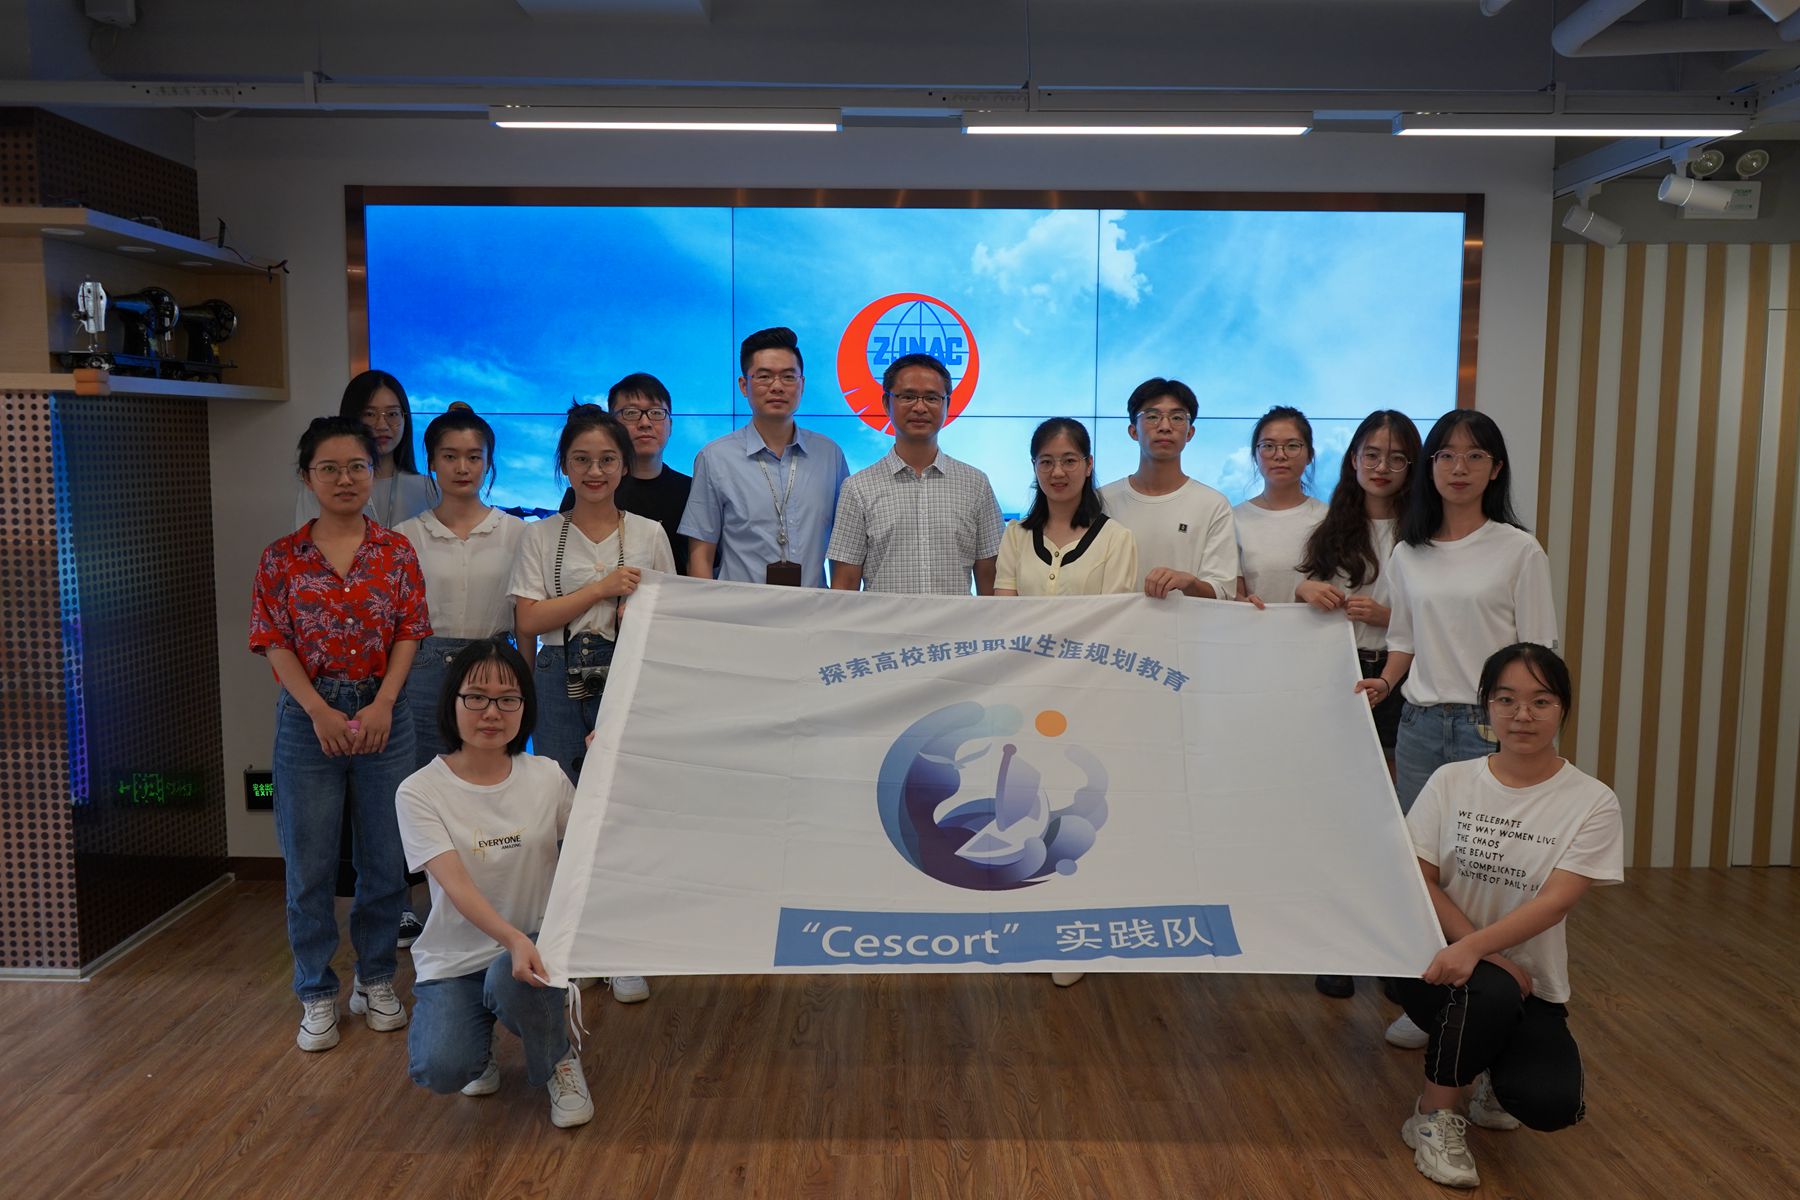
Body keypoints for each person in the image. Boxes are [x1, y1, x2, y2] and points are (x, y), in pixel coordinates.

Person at [1355, 409, 1558, 1050]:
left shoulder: (1518, 549)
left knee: (1490, 870)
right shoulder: (1410, 552)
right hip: (1419, 725)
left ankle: (1502, 997)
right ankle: (1432, 1003)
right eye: (1446, 455)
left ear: (1495, 470)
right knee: (1423, 869)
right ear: (1430, 468)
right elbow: (1404, 639)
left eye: (1474, 456)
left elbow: (1537, 652)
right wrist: (1385, 683)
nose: (1459, 468)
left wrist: (1521, 726)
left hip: (1487, 729)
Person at [1394, 643, 1622, 1189]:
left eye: (1540, 701)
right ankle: (1432, 1115)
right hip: (1437, 968)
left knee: (1550, 1102)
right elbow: (1418, 877)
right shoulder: (1451, 781)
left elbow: (1556, 901)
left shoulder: (1592, 801)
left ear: (1562, 708)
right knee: (1488, 989)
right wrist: (1480, 952)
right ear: (1487, 707)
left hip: (1530, 984)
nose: (1523, 715)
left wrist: (1482, 952)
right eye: (1506, 699)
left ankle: (1490, 1068)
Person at [249, 416, 431, 1051]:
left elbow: (409, 630)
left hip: (386, 714)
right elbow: (272, 640)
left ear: (373, 473)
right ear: (308, 477)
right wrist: (318, 712)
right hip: (308, 721)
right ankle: (316, 991)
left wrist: (383, 704)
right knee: (310, 864)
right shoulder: (281, 558)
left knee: (385, 858)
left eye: (357, 466)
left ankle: (376, 979)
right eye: (329, 468)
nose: (345, 479)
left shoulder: (397, 552)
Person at [510, 403, 673, 1006]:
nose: (595, 471)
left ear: (624, 465)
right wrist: (601, 590)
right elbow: (529, 619)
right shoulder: (539, 535)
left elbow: (668, 619)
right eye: (581, 460)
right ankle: (570, 945)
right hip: (556, 674)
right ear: (564, 466)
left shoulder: (648, 534)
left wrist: (636, 613)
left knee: (621, 809)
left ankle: (621, 947)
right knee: (560, 809)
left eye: (607, 459)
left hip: (626, 675)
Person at [396, 638, 594, 1129]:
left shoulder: (546, 776)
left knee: (510, 976)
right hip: (457, 958)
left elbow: (595, 841)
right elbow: (457, 885)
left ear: (525, 707)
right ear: (452, 702)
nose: (492, 712)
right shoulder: (419, 791)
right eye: (477, 697)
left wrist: (605, 769)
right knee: (441, 1067)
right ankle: (475, 1046)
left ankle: (558, 1058)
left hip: (532, 949)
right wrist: (511, 938)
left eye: (508, 699)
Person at [994, 418, 1137, 988]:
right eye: (1047, 461)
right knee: (1025, 809)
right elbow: (1004, 615)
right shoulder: (1014, 536)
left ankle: (1074, 930)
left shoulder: (1117, 539)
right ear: (1034, 468)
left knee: (1079, 813)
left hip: (1089, 698)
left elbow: (1114, 624)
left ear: (1088, 465)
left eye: (1070, 460)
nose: (1058, 471)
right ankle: (1026, 921)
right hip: (1025, 697)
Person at [1294, 409, 1422, 1001]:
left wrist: (1388, 616)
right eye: (1372, 455)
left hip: (1401, 680)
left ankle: (1395, 946)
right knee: (1337, 814)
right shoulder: (1331, 525)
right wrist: (1305, 589)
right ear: (1353, 460)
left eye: (1396, 458)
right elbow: (1300, 592)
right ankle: (1338, 947)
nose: (1382, 467)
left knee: (1395, 821)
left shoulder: (1426, 531)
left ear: (1413, 466)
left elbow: (1439, 617)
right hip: (1335, 677)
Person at [393, 403, 525, 768]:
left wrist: (526, 681)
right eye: (450, 456)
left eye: (473, 457)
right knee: (423, 778)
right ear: (432, 462)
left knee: (493, 777)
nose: (462, 468)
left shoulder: (518, 533)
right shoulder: (404, 536)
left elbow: (526, 620)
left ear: (488, 463)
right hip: (423, 673)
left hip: (495, 672)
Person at [680, 327, 848, 587]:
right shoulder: (715, 458)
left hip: (814, 608)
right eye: (764, 377)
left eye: (788, 377)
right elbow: (700, 556)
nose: (777, 386)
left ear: (802, 384)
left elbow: (844, 548)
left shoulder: (829, 455)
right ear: (744, 386)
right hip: (742, 609)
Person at [828, 353, 1004, 595]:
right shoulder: (858, 489)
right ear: (886, 403)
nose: (920, 407)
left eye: (932, 398)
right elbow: (844, 586)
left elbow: (991, 583)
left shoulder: (976, 484)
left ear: (947, 405)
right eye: (908, 396)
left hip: (956, 621)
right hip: (885, 621)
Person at [1097, 378, 1237, 602]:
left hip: (1187, 625)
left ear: (1190, 433)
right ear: (1133, 431)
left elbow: (1223, 591)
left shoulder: (1213, 505)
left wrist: (1189, 582)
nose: (1164, 426)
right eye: (1152, 416)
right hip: (1116, 625)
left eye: (1177, 418)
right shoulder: (1102, 500)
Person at [557, 372, 693, 576]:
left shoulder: (692, 491)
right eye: (631, 413)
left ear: (670, 425)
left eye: (656, 412)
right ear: (612, 425)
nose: (645, 423)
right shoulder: (590, 490)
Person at [295, 369, 437, 529]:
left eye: (392, 414)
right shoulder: (323, 486)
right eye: (369, 414)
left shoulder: (429, 489)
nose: (382, 425)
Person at [1234, 405, 1328, 605]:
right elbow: (1232, 593)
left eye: (1292, 446)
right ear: (1255, 455)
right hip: (1254, 623)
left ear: (1310, 455)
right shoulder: (1234, 518)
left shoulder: (1328, 518)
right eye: (1268, 446)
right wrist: (1242, 602)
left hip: (1317, 625)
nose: (1280, 455)